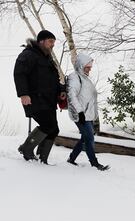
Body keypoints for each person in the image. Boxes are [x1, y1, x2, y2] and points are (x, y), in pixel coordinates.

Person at [13, 30, 66, 164]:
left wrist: (61, 90)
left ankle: (43, 158)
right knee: (48, 125)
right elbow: (19, 74)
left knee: (54, 129)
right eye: (50, 41)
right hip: (34, 98)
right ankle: (26, 148)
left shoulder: (47, 59)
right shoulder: (28, 55)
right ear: (41, 41)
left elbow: (54, 80)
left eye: (53, 42)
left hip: (48, 101)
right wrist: (23, 94)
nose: (52, 45)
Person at [66, 53, 109, 171]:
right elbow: (72, 96)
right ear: (80, 65)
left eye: (90, 67)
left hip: (87, 114)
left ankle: (71, 158)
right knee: (89, 138)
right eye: (87, 67)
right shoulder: (74, 77)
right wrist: (79, 112)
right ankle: (94, 163)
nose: (90, 69)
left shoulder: (85, 78)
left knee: (85, 138)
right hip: (79, 114)